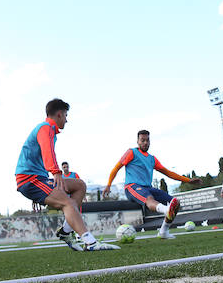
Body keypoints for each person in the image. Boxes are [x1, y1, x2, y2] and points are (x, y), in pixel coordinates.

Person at [15, 98, 119, 251]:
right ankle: (90, 242)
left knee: (79, 185)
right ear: (59, 114)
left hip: (37, 179)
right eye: (65, 116)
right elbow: (47, 151)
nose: (66, 120)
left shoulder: (48, 130)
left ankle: (66, 231)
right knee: (68, 203)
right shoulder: (45, 128)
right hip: (30, 180)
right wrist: (56, 172)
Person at [104, 130, 201, 239]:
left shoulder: (152, 159)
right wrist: (108, 185)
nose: (145, 143)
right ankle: (165, 210)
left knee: (176, 203)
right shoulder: (131, 152)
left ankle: (163, 231)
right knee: (149, 198)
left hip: (148, 188)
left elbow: (168, 172)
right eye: (142, 140)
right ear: (138, 142)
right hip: (132, 187)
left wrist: (188, 180)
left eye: (147, 140)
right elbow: (116, 168)